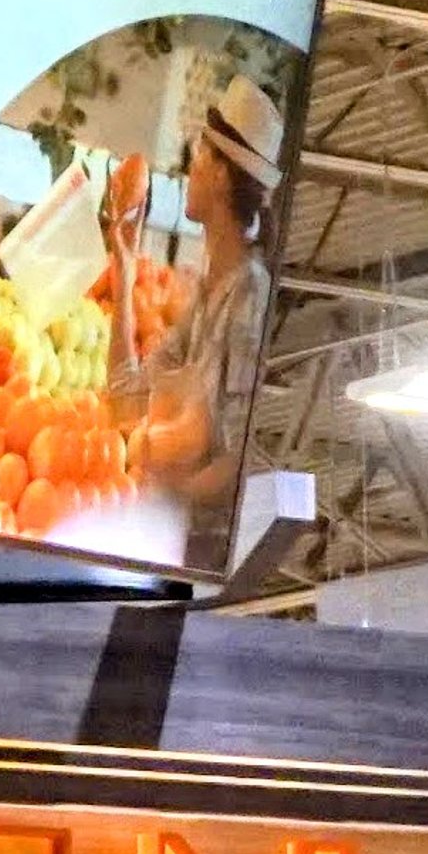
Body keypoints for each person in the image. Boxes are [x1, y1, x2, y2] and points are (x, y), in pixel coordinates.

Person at [115, 72, 287, 534]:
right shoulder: (208, 293)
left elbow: (236, 458)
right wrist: (124, 267)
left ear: (219, 174)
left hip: (197, 548)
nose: (189, 169)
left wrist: (161, 493)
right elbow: (125, 397)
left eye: (198, 155)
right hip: (166, 532)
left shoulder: (248, 296)